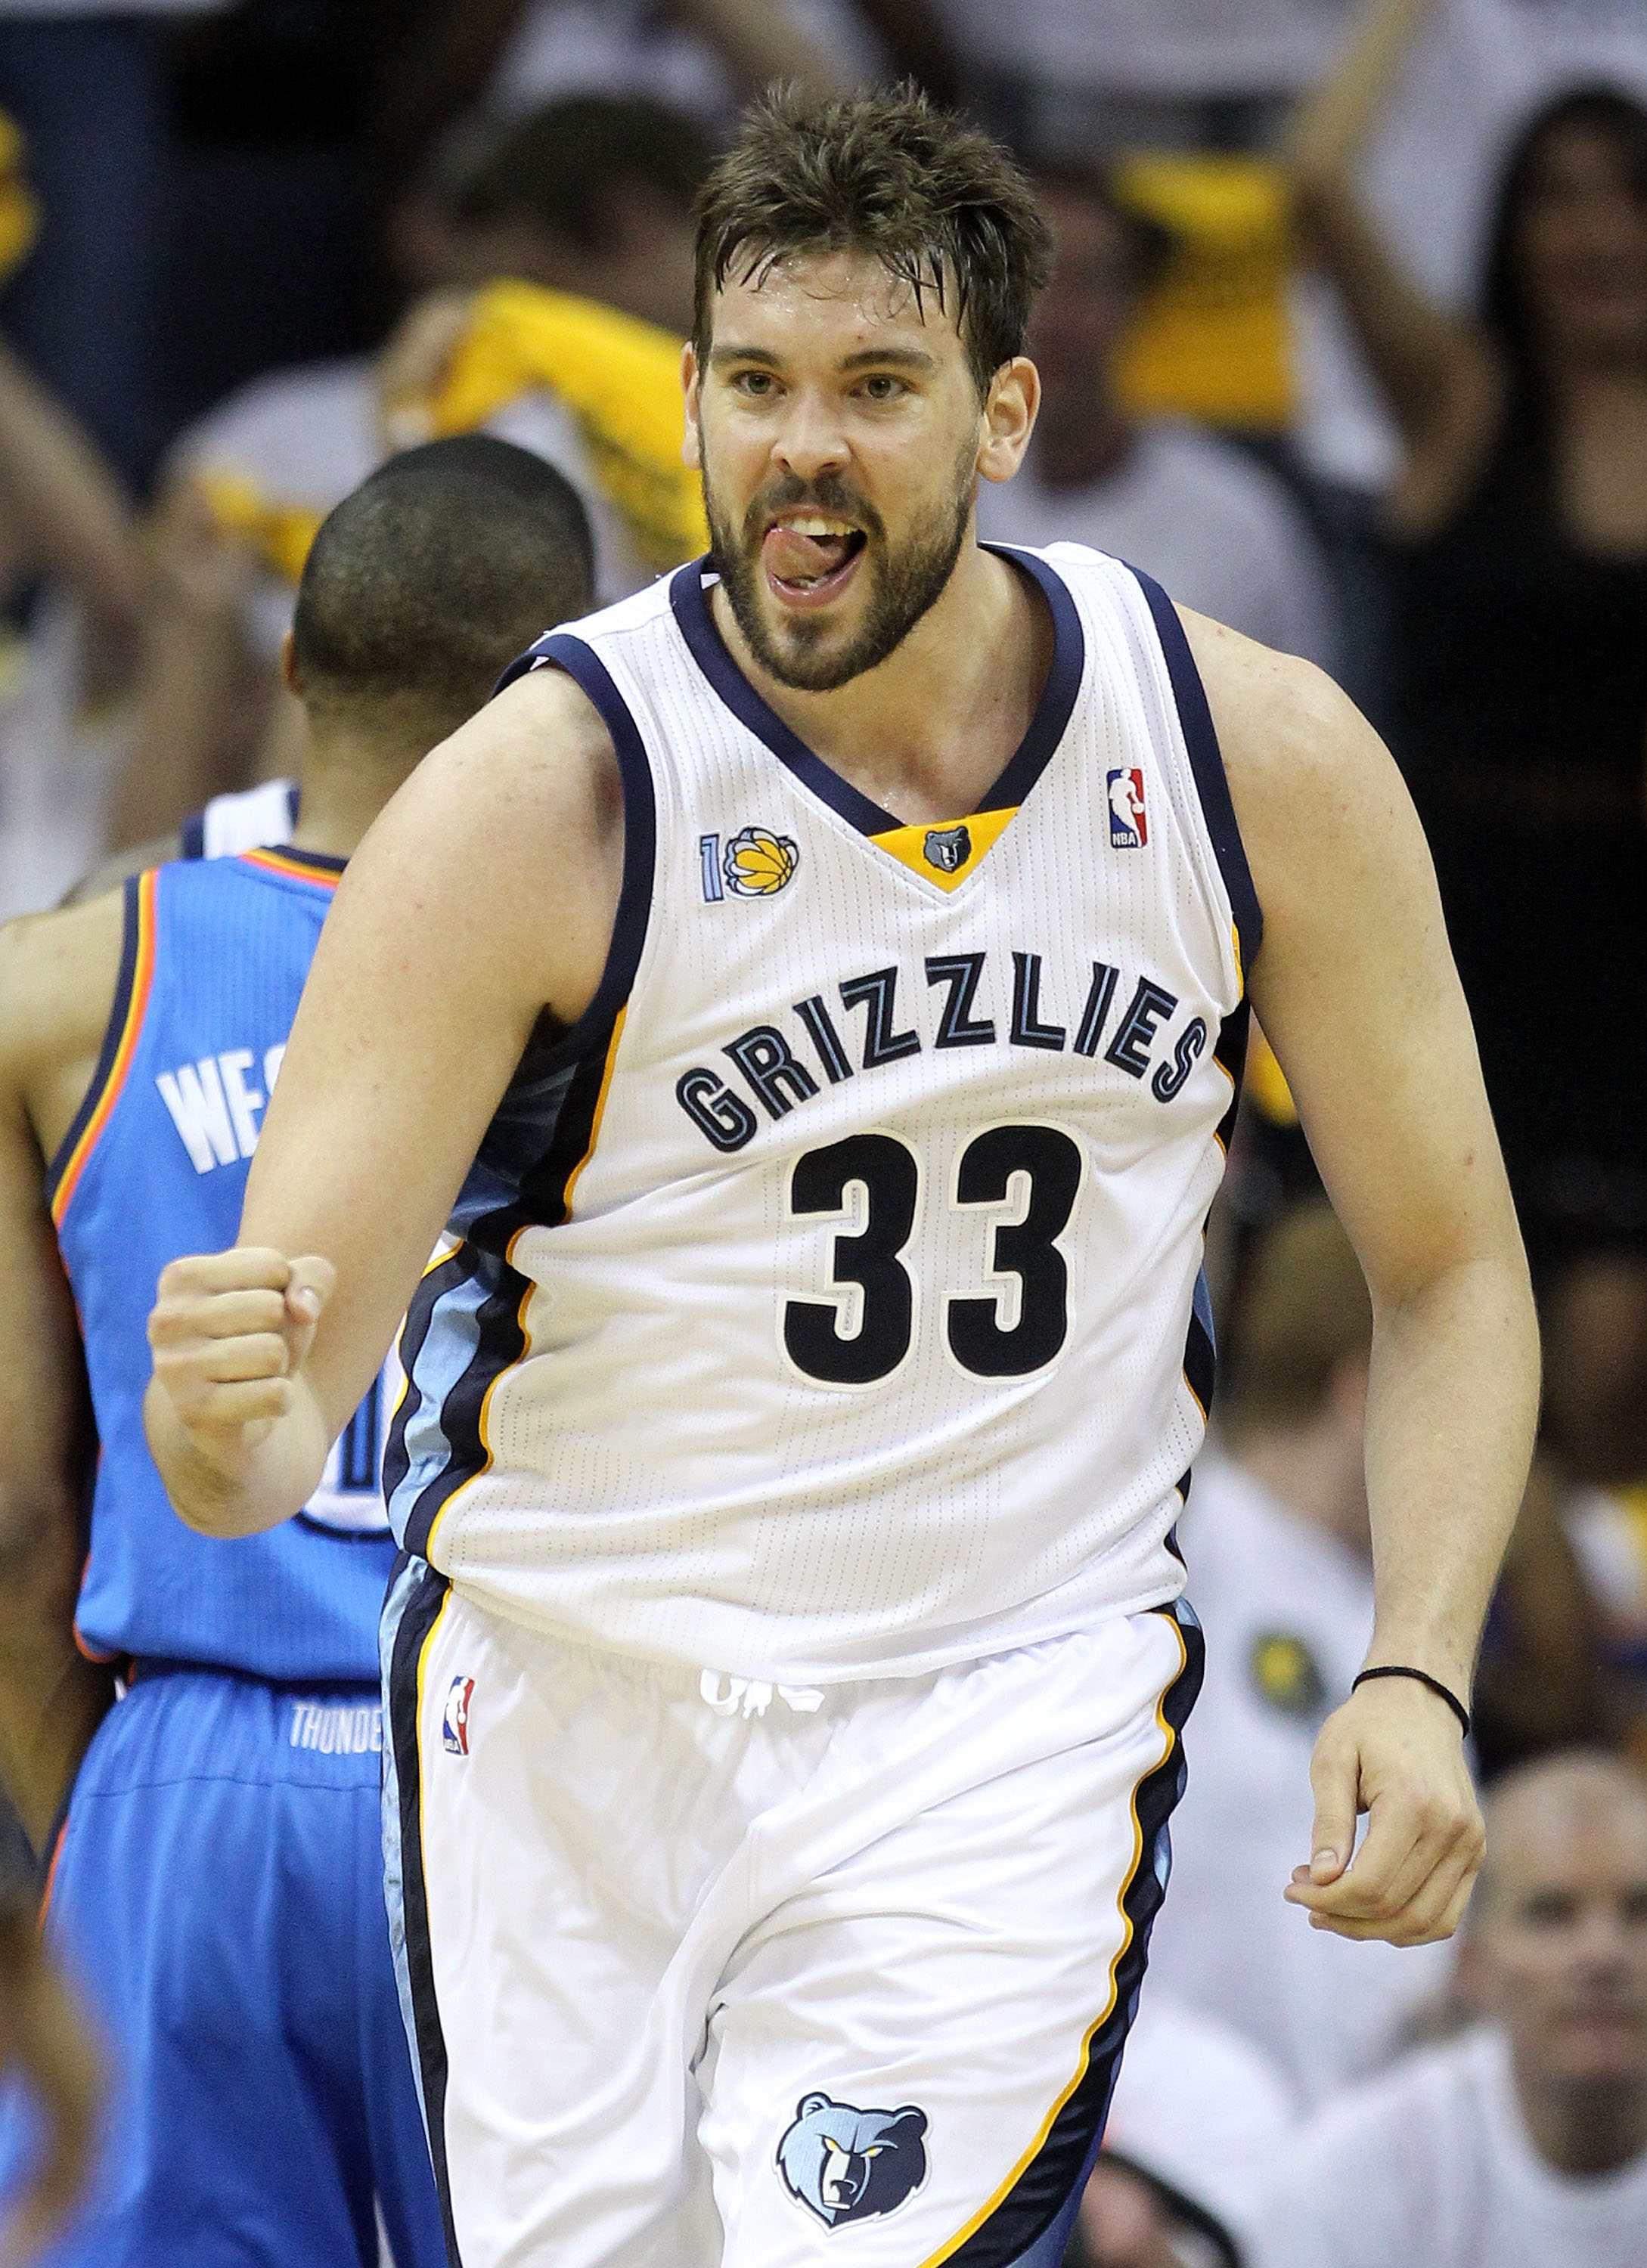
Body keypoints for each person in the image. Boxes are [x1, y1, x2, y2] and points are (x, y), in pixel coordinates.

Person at [144, 87, 1537, 2268]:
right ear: (689, 398)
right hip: (570, 1707)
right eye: (756, 387)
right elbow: (256, 1444)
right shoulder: (541, 797)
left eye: (876, 391)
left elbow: (1447, 1266)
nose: (803, 449)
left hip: (1001, 1704)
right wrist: (221, 1428)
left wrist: (1420, 1665)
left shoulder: (1248, 757)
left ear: (1002, 413)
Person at [0, 435, 594, 2265]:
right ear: (560, 698)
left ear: (289, 666)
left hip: (195, 1781)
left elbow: (19, 1523)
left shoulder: (60, 981)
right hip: (531, 1784)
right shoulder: (653, 990)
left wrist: (84, 1821)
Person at [1288, 6, 1647, 1269]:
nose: (1596, 229)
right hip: (1458, 924)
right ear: (1511, 228)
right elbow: (1315, 182)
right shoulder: (1459, 399)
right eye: (1557, 197)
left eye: (1624, 196)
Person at [1143, 1202, 1455, 2107]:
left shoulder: (1405, 1624)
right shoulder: (1182, 1532)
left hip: (1339, 2165)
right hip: (1145, 2144)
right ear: (1365, 1390)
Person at [1245, 1749, 1647, 2267]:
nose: (1602, 1955)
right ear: (1471, 1965)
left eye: (1641, 1912)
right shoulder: (1352, 2182)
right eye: (1551, 1915)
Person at [976, 166, 1341, 671]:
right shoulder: (946, 501)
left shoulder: (1237, 526)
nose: (1054, 319)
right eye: (1031, 284)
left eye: (1085, 283)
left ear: (1134, 304)